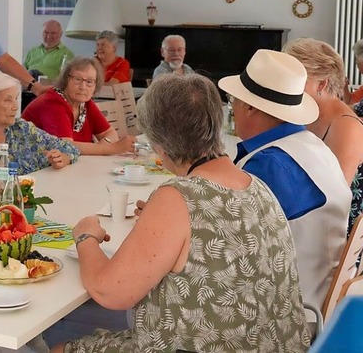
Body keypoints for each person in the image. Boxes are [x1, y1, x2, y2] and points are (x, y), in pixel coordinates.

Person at [52, 73, 310, 352]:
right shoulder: (256, 184)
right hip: (277, 343)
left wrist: (85, 236)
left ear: (159, 144)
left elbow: (109, 291)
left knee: (60, 346)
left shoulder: (177, 197)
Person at [218, 49, 352, 313]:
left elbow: (226, 241)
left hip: (285, 312)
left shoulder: (269, 163)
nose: (232, 106)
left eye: (232, 99)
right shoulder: (311, 145)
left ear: (249, 107)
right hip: (320, 299)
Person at [283, 38, 363, 234]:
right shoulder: (307, 115)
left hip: (337, 237)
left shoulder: (347, 127)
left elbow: (332, 197)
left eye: (296, 78)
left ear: (322, 84)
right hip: (311, 224)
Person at [22, 57, 136, 156]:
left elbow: (109, 133)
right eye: (77, 79)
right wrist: (112, 148)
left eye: (90, 81)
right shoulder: (53, 103)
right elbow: (65, 146)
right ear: (66, 79)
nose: (83, 87)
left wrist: (104, 144)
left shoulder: (84, 102)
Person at [0, 72, 79, 175]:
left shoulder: (22, 128)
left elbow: (69, 147)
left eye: (16, 98)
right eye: (8, 100)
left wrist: (64, 158)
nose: (16, 107)